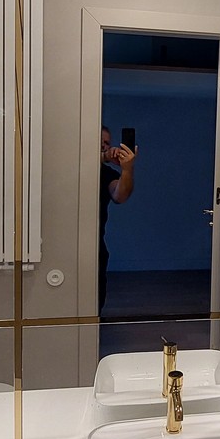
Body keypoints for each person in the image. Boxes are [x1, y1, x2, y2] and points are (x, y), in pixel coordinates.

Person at [98, 125, 137, 313]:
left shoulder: (107, 174)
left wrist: (127, 169)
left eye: (107, 143)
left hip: (97, 247)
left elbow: (120, 195)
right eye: (100, 142)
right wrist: (104, 156)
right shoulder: (71, 166)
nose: (104, 146)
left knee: (96, 300)